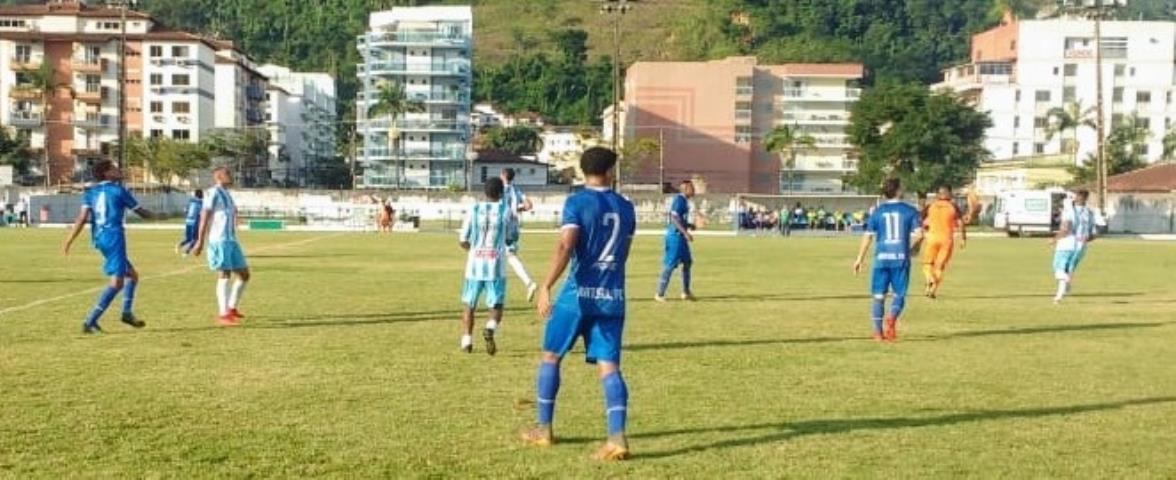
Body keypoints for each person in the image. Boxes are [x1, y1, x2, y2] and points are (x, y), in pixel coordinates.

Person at [521, 147, 637, 461]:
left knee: (551, 357)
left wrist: (545, 285)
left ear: (584, 171)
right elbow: (623, 252)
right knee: (610, 367)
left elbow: (566, 245)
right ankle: (617, 438)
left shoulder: (577, 202)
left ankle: (543, 430)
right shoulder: (627, 207)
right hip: (612, 296)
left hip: (578, 295)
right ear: (610, 171)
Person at [62, 160, 153, 334]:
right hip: (114, 236)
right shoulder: (119, 191)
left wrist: (69, 240)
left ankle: (126, 313)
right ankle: (90, 322)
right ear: (106, 173)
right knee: (117, 283)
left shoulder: (91, 192)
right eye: (114, 168)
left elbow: (82, 218)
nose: (118, 170)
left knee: (132, 276)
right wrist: (158, 216)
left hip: (100, 238)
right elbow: (141, 212)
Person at [853, 178, 923, 342]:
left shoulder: (877, 212)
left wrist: (859, 259)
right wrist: (914, 249)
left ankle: (878, 333)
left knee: (878, 296)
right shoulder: (910, 210)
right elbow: (920, 234)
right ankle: (891, 318)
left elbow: (868, 236)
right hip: (900, 258)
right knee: (899, 294)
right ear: (898, 190)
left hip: (881, 259)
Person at [457, 177, 516, 355]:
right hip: (495, 266)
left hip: (474, 266)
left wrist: (474, 251)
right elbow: (511, 237)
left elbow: (462, 240)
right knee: (496, 304)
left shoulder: (473, 209)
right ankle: (490, 327)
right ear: (501, 193)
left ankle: (466, 340)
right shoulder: (506, 211)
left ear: (485, 192)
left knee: (469, 303)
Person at [191, 167, 250, 327]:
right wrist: (200, 240)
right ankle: (223, 313)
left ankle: (231, 308)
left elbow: (230, 212)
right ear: (218, 176)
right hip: (219, 240)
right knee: (224, 273)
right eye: (228, 173)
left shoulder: (227, 194)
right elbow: (205, 215)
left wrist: (235, 220)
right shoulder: (213, 192)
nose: (231, 175)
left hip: (231, 240)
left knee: (244, 274)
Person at [1051, 189, 1096, 305]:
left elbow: (1066, 229)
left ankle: (1067, 281)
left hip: (1067, 243)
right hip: (1081, 247)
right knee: (1067, 270)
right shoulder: (1089, 213)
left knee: (1058, 270)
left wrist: (1054, 239)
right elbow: (1094, 234)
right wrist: (1086, 238)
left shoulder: (1069, 210)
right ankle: (1058, 297)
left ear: (1076, 198)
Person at [921, 186, 967, 299]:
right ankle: (932, 290)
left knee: (927, 264)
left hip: (932, 238)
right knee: (940, 267)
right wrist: (963, 238)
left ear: (938, 195)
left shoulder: (930, 206)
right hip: (946, 240)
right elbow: (961, 223)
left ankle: (929, 279)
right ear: (948, 194)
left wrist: (924, 231)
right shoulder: (953, 206)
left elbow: (922, 222)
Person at [655, 179, 696, 302]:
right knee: (670, 264)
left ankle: (686, 292)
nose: (694, 190)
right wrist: (685, 232)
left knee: (688, 262)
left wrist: (688, 225)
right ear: (686, 189)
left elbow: (680, 219)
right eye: (692, 188)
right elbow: (673, 218)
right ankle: (660, 293)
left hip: (681, 237)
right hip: (675, 237)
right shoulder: (679, 200)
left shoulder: (684, 201)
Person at [501, 168, 539, 302]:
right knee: (510, 257)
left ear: (503, 176)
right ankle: (529, 283)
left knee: (499, 256)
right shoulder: (516, 190)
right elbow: (529, 205)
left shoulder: (501, 190)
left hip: (501, 227)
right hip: (514, 228)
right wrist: (518, 209)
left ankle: (528, 283)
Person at [177, 189, 203, 256]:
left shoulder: (191, 201)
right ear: (200, 194)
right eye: (202, 194)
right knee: (196, 239)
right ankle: (186, 252)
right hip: (195, 221)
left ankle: (179, 246)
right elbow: (201, 213)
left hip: (188, 221)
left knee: (188, 238)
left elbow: (185, 210)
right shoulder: (201, 202)